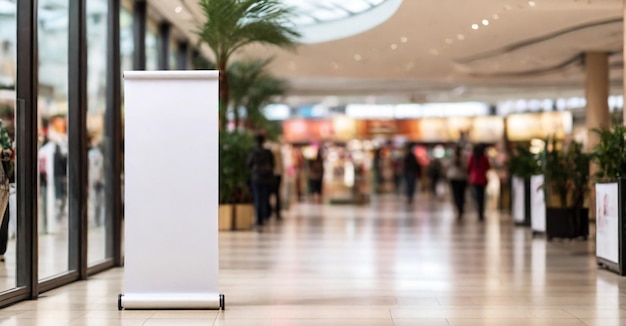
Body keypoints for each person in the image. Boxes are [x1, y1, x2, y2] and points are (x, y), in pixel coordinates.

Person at [246, 133, 275, 229]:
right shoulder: (268, 152)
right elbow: (272, 164)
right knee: (265, 197)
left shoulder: (253, 152)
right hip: (267, 178)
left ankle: (259, 219)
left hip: (257, 177)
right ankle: (264, 216)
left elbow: (248, 163)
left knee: (258, 198)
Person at [468, 144, 490, 221]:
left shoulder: (472, 157)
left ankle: (479, 211)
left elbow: (469, 167)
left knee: (476, 196)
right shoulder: (484, 157)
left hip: (475, 179)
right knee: (482, 197)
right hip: (482, 179)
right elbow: (488, 167)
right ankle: (481, 212)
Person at [0, 120, 12, 262]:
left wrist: (2, 151)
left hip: (1, 181)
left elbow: (9, 151)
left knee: (3, 216)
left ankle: (1, 250)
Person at [446, 146, 468, 219]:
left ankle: (460, 207)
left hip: (461, 178)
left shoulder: (463, 157)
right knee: (456, 194)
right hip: (454, 178)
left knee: (461, 194)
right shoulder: (452, 157)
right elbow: (448, 165)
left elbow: (466, 166)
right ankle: (458, 207)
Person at [268, 142, 284, 220]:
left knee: (269, 193)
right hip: (278, 174)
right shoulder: (278, 149)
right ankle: (277, 212)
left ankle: (269, 211)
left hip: (271, 174)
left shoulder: (269, 148)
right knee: (277, 193)